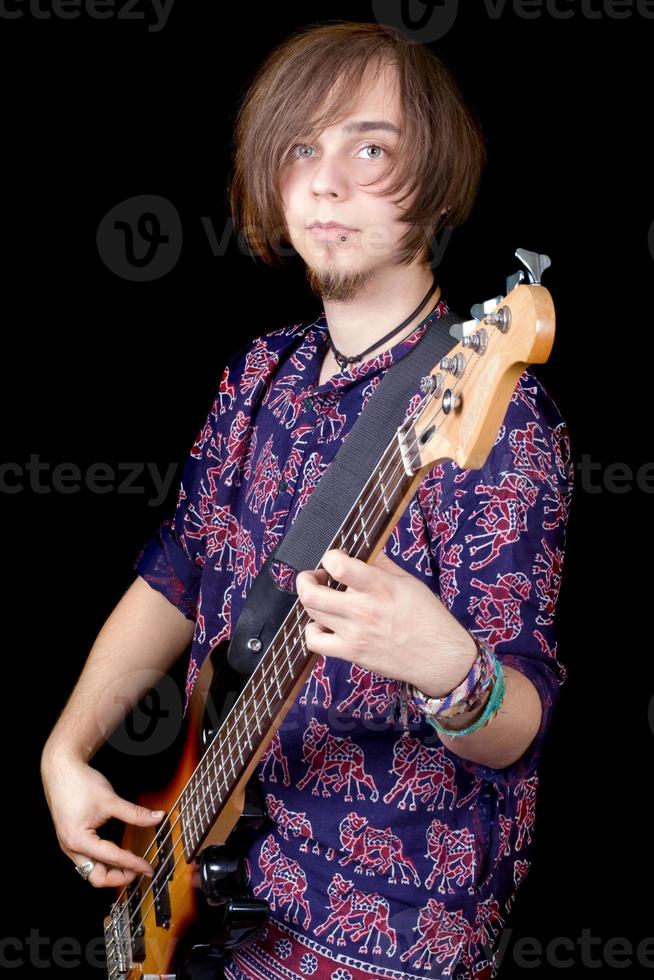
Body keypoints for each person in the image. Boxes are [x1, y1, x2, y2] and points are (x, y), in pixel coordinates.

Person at [40, 21, 574, 980]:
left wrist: (448, 666)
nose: (326, 182)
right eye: (301, 148)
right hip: (216, 886)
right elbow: (175, 572)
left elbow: (520, 721)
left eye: (371, 149)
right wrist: (65, 751)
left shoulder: (496, 415)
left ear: (436, 181)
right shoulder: (261, 373)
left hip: (387, 937)